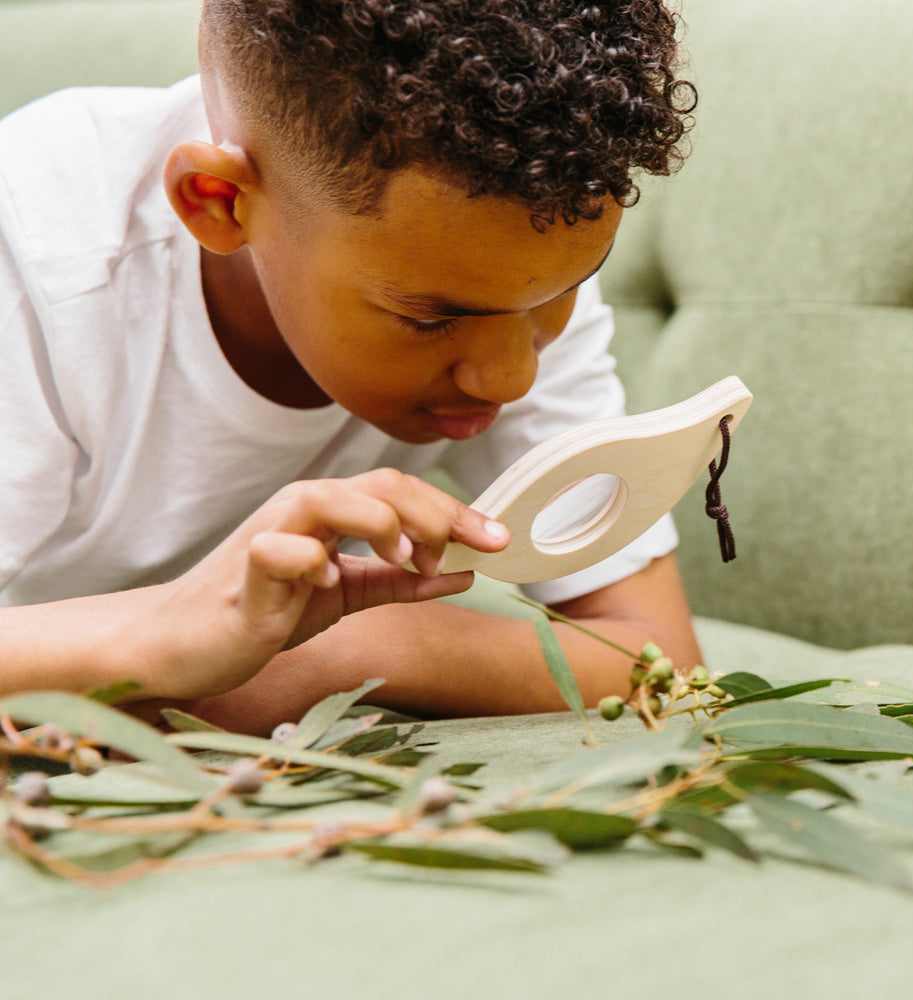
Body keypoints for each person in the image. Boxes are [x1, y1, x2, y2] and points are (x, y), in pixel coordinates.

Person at [0, 0, 702, 733]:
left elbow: (660, 660)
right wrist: (171, 645)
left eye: (564, 292)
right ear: (221, 202)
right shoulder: (39, 256)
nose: (510, 379)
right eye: (431, 320)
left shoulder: (512, 271)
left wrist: (331, 654)